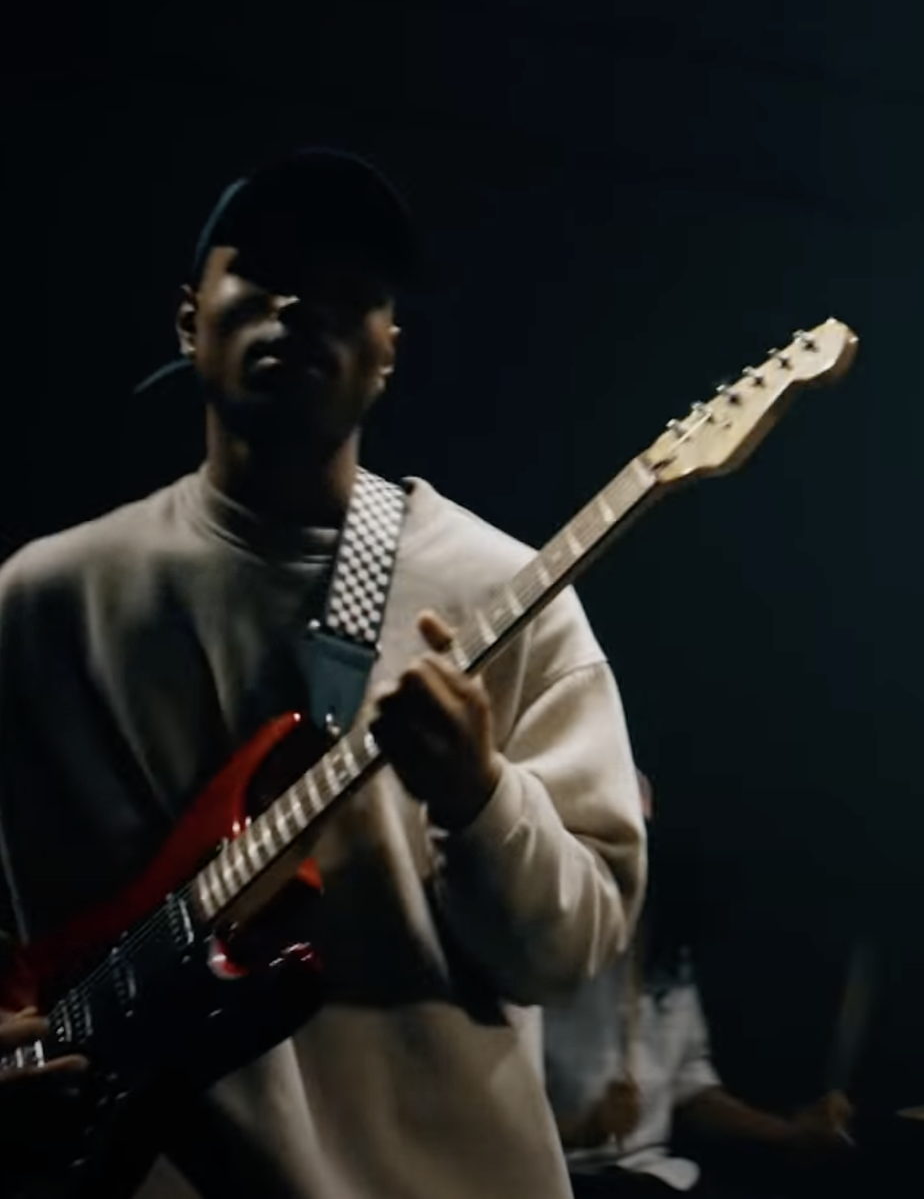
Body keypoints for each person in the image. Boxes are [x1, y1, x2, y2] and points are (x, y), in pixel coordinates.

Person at [0, 149, 647, 1198]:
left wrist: (478, 795)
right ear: (188, 318)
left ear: (389, 350)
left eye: (347, 290)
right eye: (264, 272)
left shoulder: (505, 593)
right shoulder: (38, 602)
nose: (301, 309)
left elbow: (570, 951)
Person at [543, 773, 856, 1198]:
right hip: (563, 1180)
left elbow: (691, 1091)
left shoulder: (666, 956)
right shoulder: (530, 954)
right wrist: (581, 1131)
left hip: (656, 1174)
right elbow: (484, 1125)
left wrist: (789, 1132)